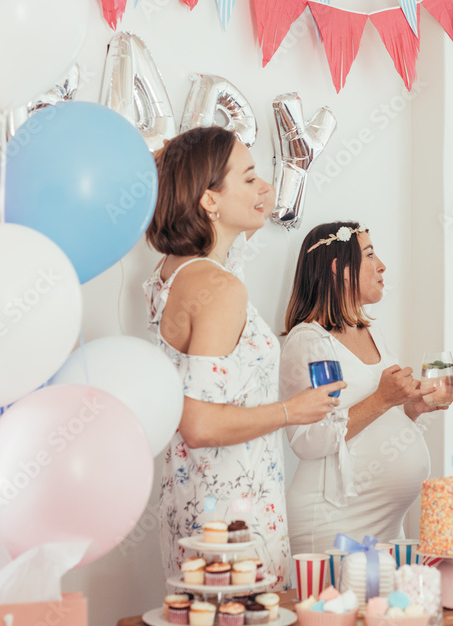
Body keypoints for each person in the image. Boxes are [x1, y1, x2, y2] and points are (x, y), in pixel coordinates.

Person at [144, 127, 343, 590]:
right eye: (250, 178)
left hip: (193, 500)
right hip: (231, 514)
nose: (267, 188)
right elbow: (199, 424)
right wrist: (294, 410)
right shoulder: (218, 286)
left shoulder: (170, 273)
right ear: (209, 200)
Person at [280, 222, 453, 553]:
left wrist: (411, 409)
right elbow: (308, 439)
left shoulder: (373, 334)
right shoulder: (308, 342)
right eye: (370, 255)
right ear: (341, 269)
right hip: (333, 523)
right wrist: (382, 399)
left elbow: (375, 420)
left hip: (387, 526)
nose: (382, 266)